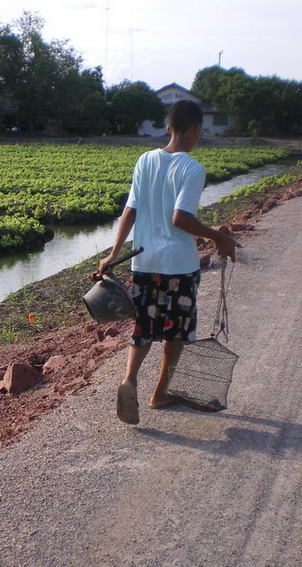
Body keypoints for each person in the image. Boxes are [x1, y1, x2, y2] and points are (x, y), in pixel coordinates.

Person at [98, 99, 237, 425]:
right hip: (178, 265)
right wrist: (218, 236)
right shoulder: (192, 167)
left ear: (168, 126)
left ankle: (129, 380)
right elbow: (180, 218)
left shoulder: (146, 160)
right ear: (196, 129)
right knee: (176, 331)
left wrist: (115, 252)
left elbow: (130, 210)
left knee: (144, 326)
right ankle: (160, 393)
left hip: (144, 263)